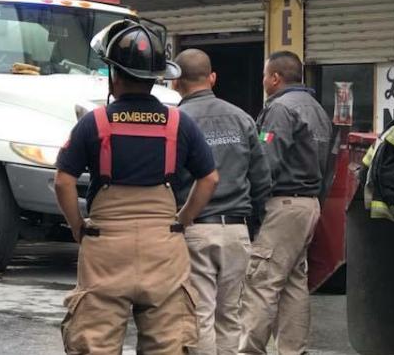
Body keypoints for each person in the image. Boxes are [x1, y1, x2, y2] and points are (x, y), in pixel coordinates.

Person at [54, 20, 219, 355]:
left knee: (94, 343)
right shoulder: (178, 122)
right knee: (169, 343)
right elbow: (210, 178)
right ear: (157, 78)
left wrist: (77, 227)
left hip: (105, 249)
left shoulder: (94, 122)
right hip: (164, 249)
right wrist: (182, 222)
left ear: (114, 75)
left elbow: (63, 180)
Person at [172, 49, 272, 355]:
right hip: (237, 232)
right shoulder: (241, 117)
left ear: (175, 82)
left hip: (196, 229)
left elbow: (168, 177)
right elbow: (262, 179)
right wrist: (252, 223)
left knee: (199, 315)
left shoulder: (176, 121)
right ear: (212, 77)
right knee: (230, 318)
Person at [239, 50, 332, 355]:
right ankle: (293, 350)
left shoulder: (280, 109)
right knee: (293, 284)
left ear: (275, 78)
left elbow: (266, 162)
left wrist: (252, 206)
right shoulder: (317, 109)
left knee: (262, 282)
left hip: (283, 206)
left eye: (266, 75)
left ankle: (249, 350)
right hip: (308, 206)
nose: (264, 81)